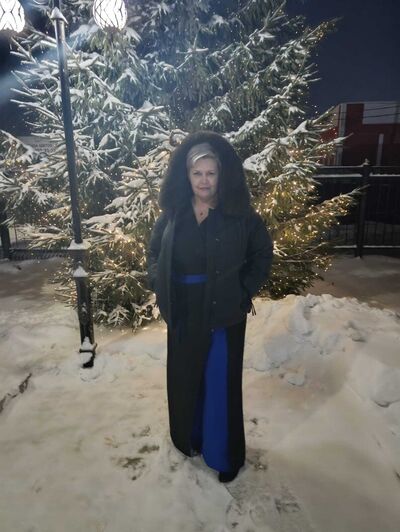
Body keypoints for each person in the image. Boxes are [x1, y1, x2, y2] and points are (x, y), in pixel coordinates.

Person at [147, 131, 274, 483]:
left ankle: (224, 455)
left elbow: (263, 254)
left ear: (221, 175)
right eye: (197, 173)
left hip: (223, 312)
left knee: (220, 384)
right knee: (186, 380)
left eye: (210, 173)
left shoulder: (241, 215)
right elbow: (154, 253)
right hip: (183, 312)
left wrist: (242, 290)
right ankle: (191, 439)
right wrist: (158, 282)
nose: (204, 181)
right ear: (187, 176)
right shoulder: (173, 213)